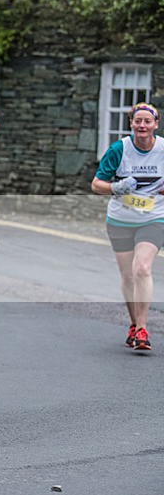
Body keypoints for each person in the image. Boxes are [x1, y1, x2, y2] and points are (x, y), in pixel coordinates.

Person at [91, 102, 164, 352]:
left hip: (154, 218)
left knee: (142, 267)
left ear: (156, 124)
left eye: (147, 121)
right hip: (121, 219)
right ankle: (134, 323)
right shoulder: (119, 149)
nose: (142, 125)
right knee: (128, 276)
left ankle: (142, 329)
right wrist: (115, 187)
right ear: (131, 124)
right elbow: (96, 184)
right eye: (137, 121)